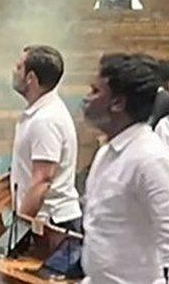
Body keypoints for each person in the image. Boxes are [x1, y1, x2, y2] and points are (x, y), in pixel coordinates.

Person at [81, 53, 169, 284]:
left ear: (118, 103)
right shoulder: (105, 153)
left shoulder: (149, 158)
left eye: (94, 91)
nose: (86, 98)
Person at [9, 46, 81, 232]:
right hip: (44, 220)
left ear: (31, 78)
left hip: (52, 223)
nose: (13, 71)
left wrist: (18, 229)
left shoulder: (46, 119)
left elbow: (42, 180)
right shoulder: (40, 112)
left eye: (18, 67)